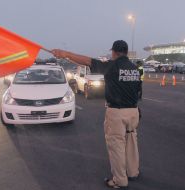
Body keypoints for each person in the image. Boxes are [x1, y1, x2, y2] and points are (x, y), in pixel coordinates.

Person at [51, 40, 141, 189]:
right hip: (133, 111)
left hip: (117, 112)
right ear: (125, 52)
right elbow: (138, 91)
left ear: (115, 52)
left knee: (116, 145)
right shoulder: (135, 69)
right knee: (131, 140)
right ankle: (132, 172)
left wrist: (65, 54)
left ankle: (120, 180)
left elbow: (87, 61)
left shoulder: (112, 66)